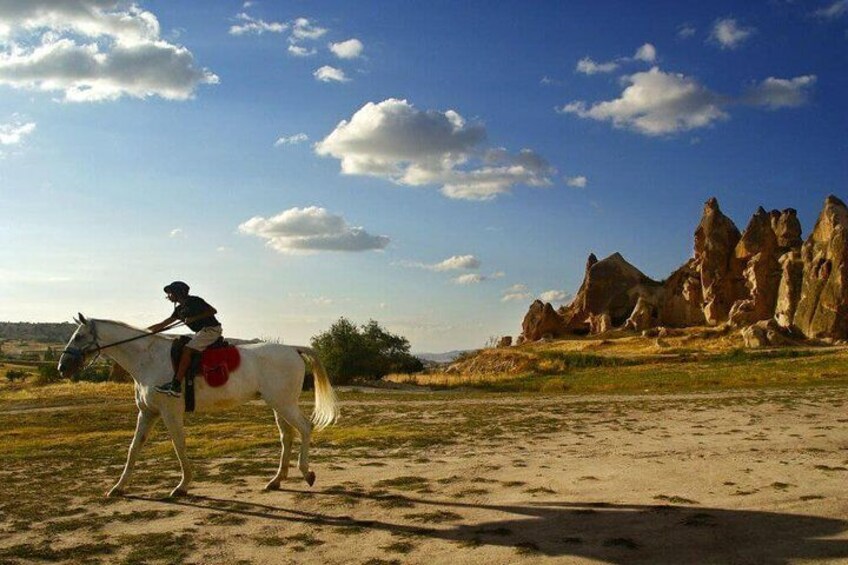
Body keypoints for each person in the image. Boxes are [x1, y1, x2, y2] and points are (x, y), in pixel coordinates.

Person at [149, 281, 222, 397]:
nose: (168, 296)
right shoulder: (179, 310)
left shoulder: (195, 301)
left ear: (178, 293)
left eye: (170, 293)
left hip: (212, 330)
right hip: (200, 332)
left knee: (188, 349)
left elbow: (213, 311)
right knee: (178, 344)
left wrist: (194, 318)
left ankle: (176, 385)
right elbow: (163, 324)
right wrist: (144, 331)